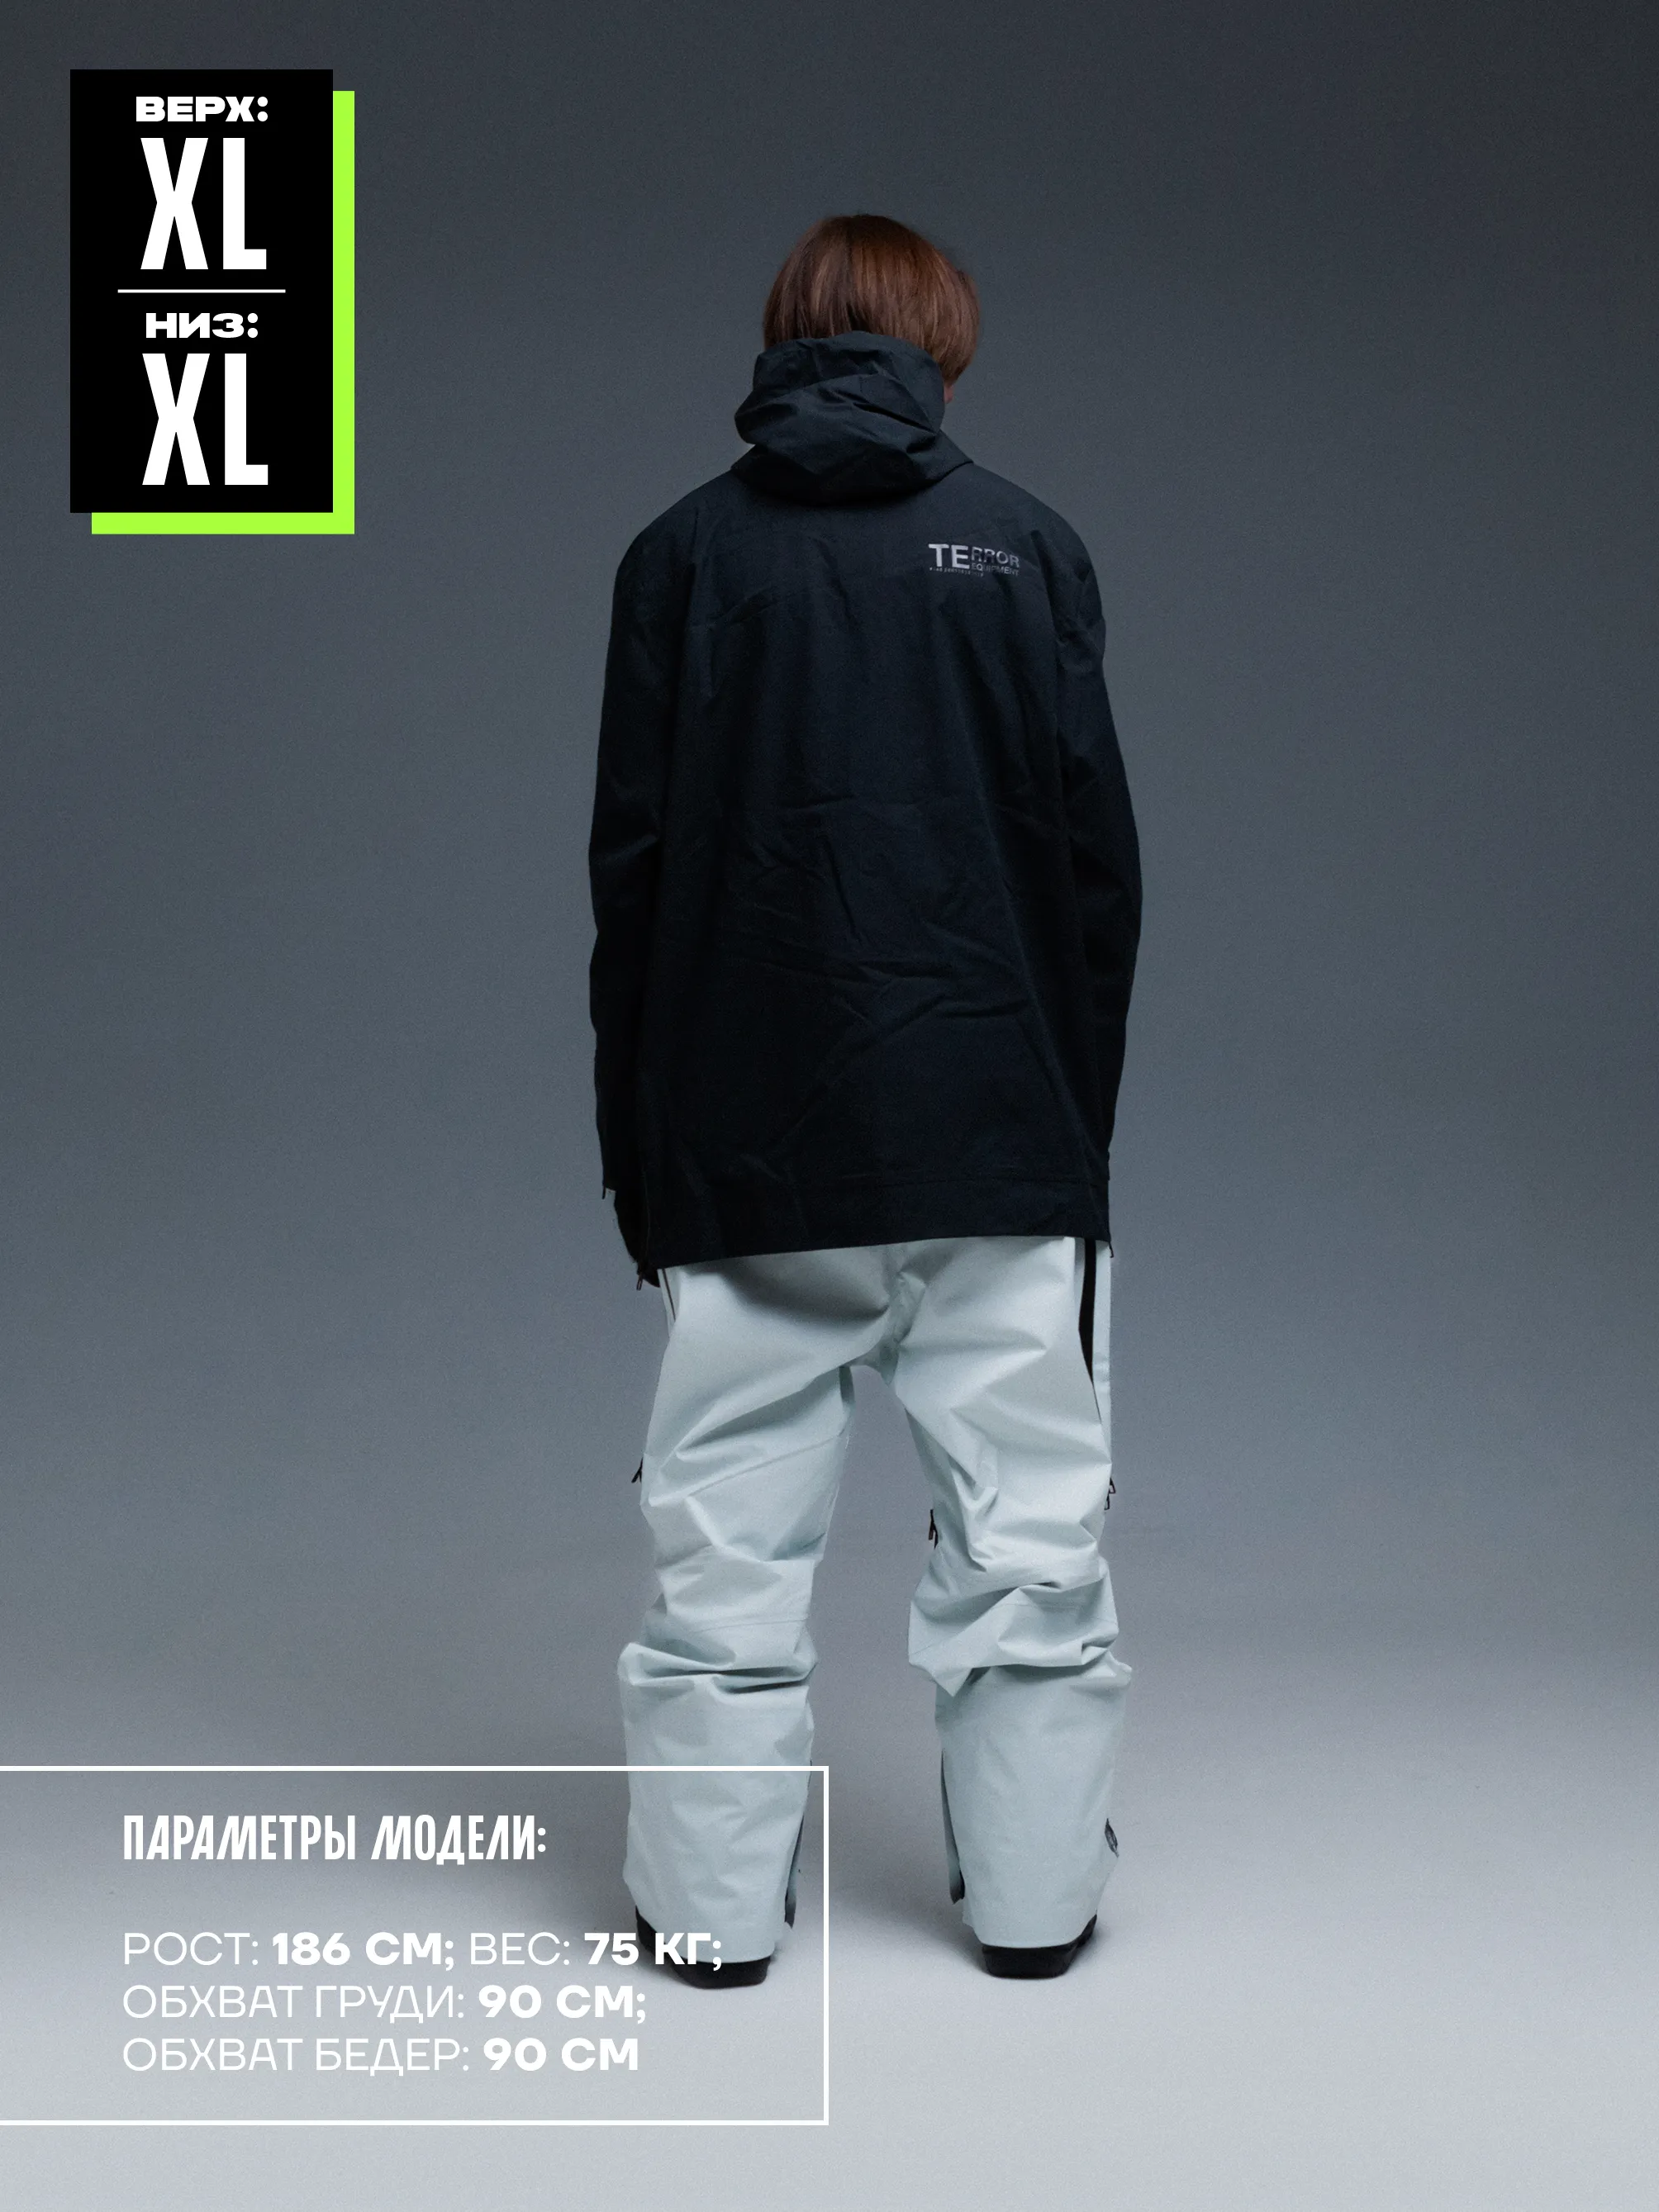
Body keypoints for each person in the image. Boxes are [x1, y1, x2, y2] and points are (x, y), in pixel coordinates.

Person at [588, 214, 1141, 1983]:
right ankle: (1036, 1909)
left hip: (747, 1152)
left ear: (784, 336)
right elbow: (1094, 882)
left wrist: (644, 1166)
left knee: (724, 1559)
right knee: (1030, 1555)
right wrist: (1070, 1143)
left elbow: (632, 884)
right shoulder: (1028, 548)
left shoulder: (679, 558)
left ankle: (709, 1917)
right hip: (998, 1137)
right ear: (941, 344)